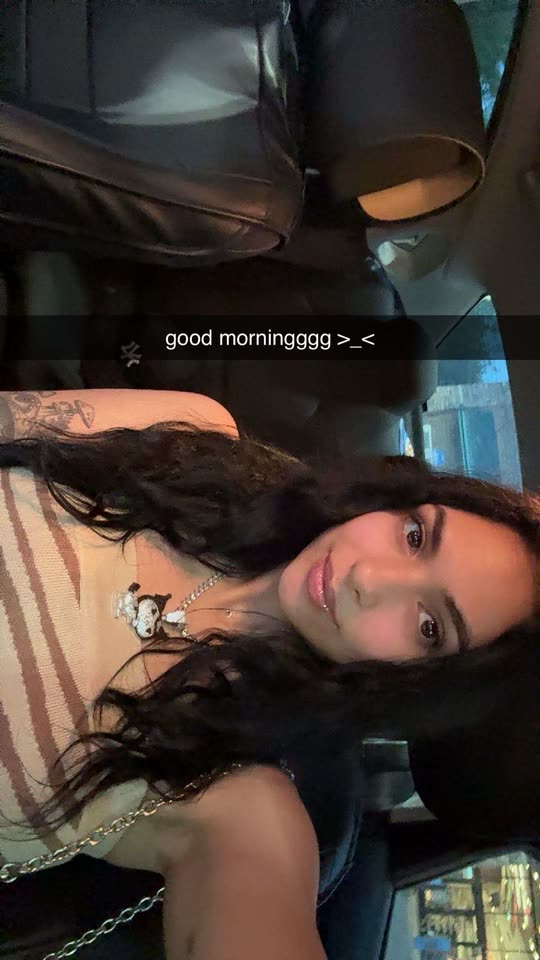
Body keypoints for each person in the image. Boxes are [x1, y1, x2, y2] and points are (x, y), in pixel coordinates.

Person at [0, 388, 538, 960]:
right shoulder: (194, 440)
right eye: (415, 536)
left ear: (417, 684)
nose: (369, 578)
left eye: (428, 625)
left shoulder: (235, 797)